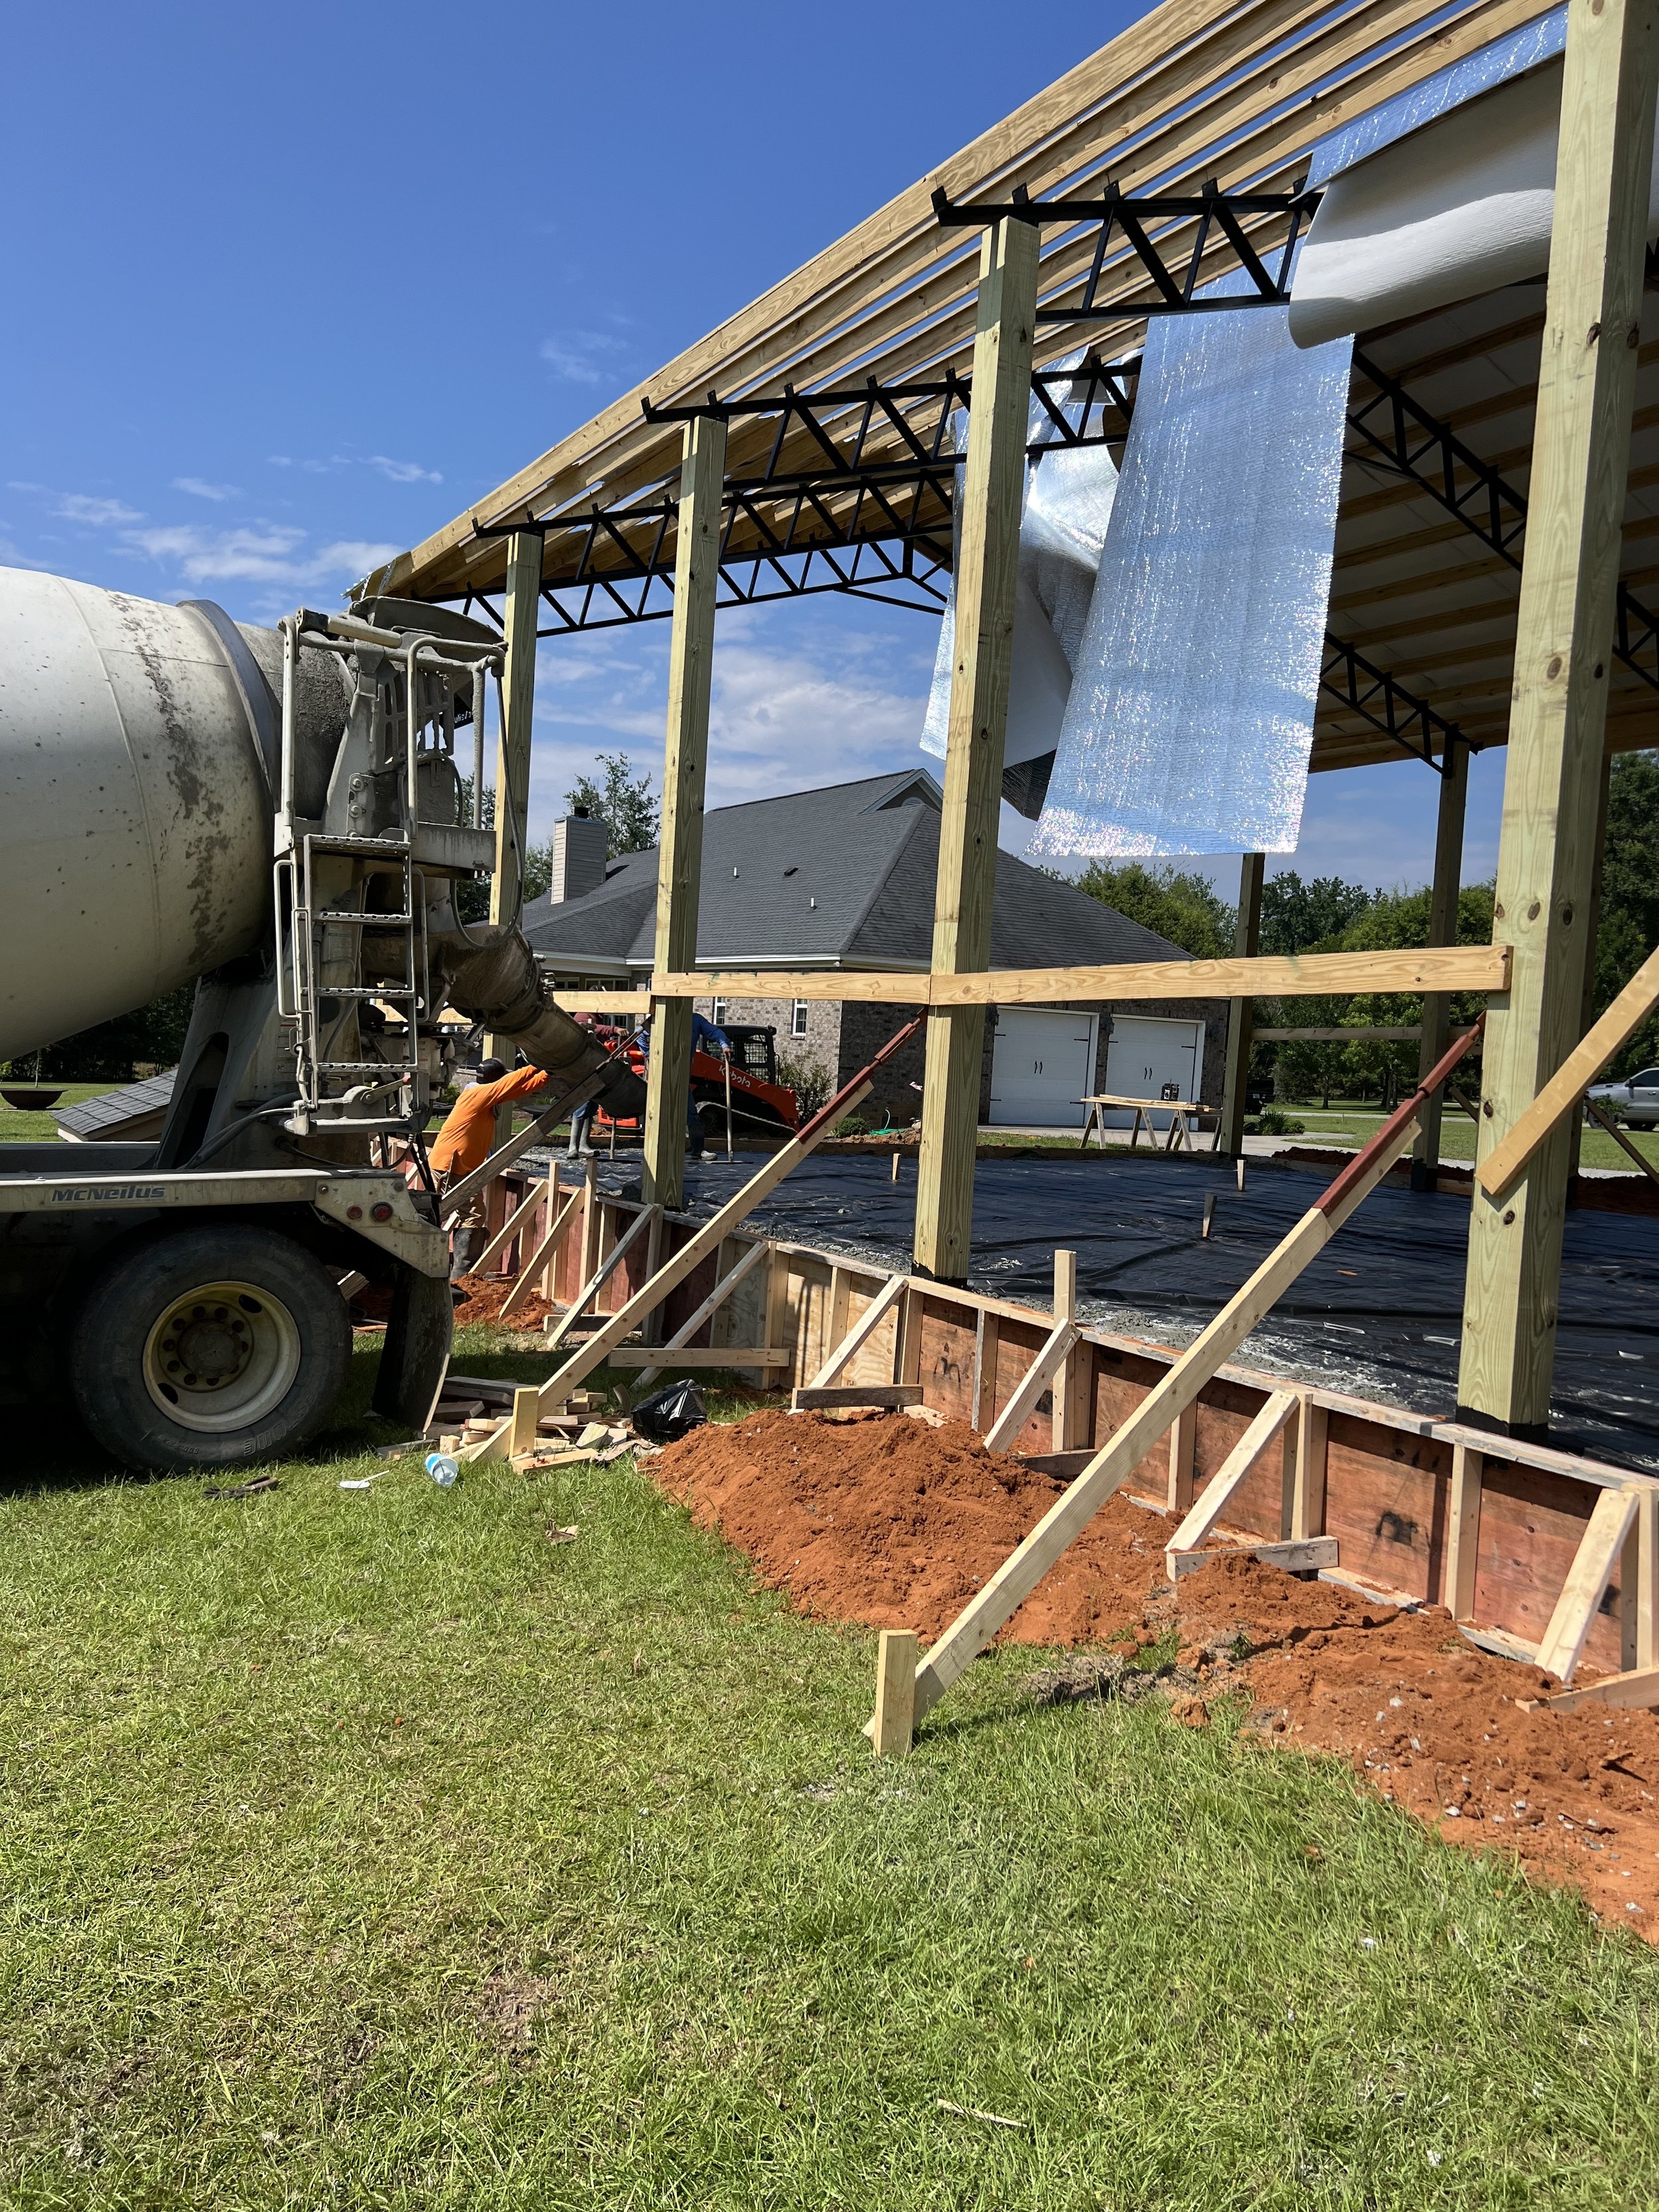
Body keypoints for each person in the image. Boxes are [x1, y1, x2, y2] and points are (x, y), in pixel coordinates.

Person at [429, 1057, 551, 1278]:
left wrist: (546, 1075)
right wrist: (536, 1066)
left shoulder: (484, 1097)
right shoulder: (476, 1094)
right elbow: (510, 1083)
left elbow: (517, 1089)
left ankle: (459, 1273)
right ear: (495, 1079)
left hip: (460, 1166)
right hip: (451, 1165)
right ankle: (461, 1275)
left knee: (460, 1214)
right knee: (452, 1215)